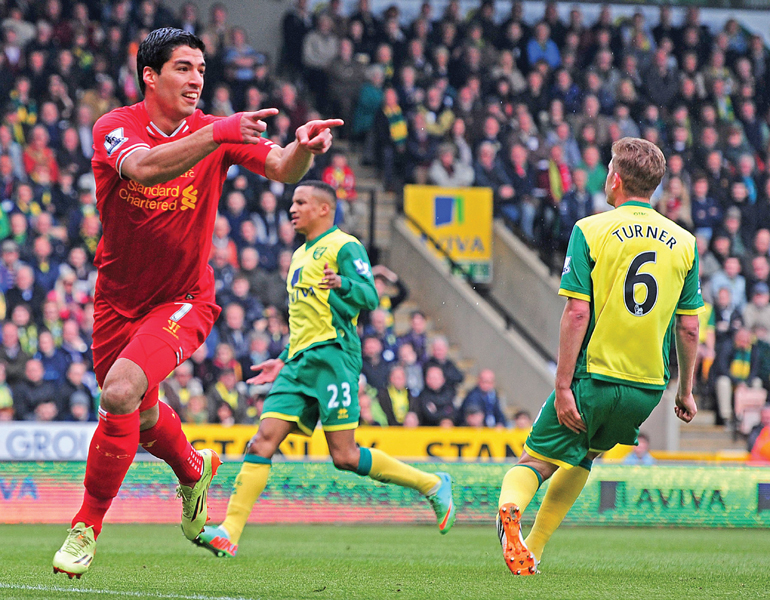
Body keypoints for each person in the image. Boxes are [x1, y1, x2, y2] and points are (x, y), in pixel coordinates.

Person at [53, 28, 343, 578]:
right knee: (135, 418)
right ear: (150, 76)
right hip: (116, 300)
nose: (196, 80)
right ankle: (194, 468)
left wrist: (302, 150)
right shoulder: (114, 128)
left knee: (118, 393)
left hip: (184, 298)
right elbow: (143, 167)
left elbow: (281, 168)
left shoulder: (216, 130)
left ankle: (84, 528)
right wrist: (218, 136)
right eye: (184, 68)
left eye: (202, 70)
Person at [194, 181, 456, 558]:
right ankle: (230, 531)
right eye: (292, 201)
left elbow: (369, 295)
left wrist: (343, 282)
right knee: (262, 440)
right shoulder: (299, 255)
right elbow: (305, 321)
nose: (292, 208)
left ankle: (431, 483)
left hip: (335, 357)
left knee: (345, 456)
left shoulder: (344, 246)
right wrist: (283, 357)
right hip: (299, 362)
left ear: (323, 209)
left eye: (301, 202)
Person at [496, 138, 703, 575]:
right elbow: (689, 326)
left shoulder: (590, 229)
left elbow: (576, 312)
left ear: (616, 178)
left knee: (534, 461)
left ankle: (511, 510)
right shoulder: (685, 243)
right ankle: (533, 548)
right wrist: (684, 391)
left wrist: (563, 384)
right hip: (646, 387)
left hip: (593, 377)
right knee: (584, 455)